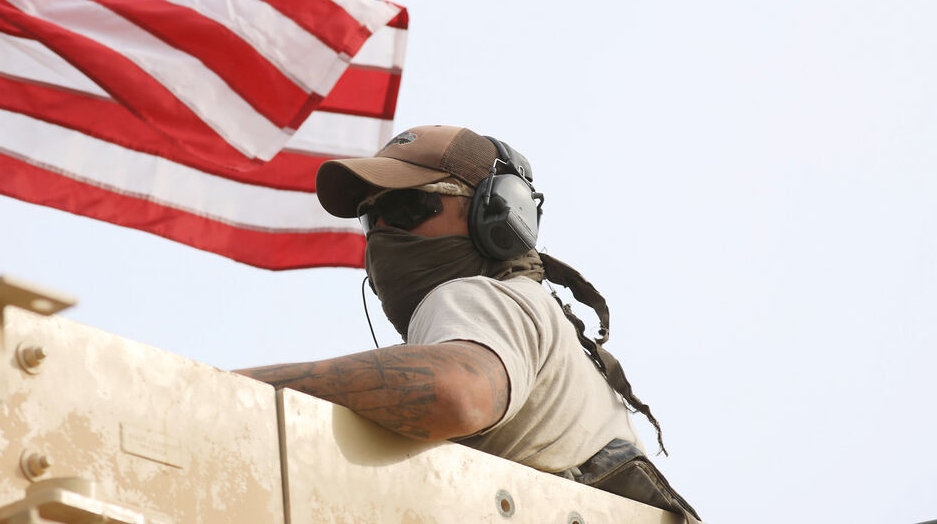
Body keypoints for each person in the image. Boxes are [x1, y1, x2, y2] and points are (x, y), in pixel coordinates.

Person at [236, 125, 700, 522]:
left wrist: (245, 393)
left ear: (495, 215)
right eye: (369, 217)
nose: (380, 233)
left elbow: (455, 393)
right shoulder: (539, 317)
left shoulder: (474, 295)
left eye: (404, 209)